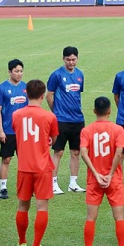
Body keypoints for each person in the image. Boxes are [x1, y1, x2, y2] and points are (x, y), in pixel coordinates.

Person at [80, 97, 124, 246]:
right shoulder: (117, 129)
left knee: (90, 217)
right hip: (113, 179)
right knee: (119, 217)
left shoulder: (87, 130)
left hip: (94, 180)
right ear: (109, 111)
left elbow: (83, 153)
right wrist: (110, 173)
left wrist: (95, 172)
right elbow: (119, 153)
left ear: (94, 111)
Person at [13, 80, 58, 246]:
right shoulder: (49, 117)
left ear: (26, 94)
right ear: (42, 95)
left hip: (24, 166)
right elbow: (53, 140)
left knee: (23, 206)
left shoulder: (16, 114)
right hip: (42, 167)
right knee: (42, 207)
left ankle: (22, 242)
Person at [47, 46, 86, 195]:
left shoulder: (80, 75)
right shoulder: (56, 75)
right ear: (63, 59)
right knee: (59, 151)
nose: (71, 62)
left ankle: (73, 183)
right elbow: (49, 96)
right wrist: (55, 112)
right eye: (68, 59)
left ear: (77, 59)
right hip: (61, 120)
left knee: (76, 152)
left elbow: (77, 95)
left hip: (77, 119)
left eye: (73, 59)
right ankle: (53, 183)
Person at [0, 59, 28, 199]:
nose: (19, 74)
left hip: (23, 131)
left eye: (21, 71)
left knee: (25, 159)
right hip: (8, 130)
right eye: (16, 71)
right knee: (6, 159)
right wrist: (0, 130)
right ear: (9, 72)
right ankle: (3, 188)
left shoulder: (26, 87)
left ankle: (25, 186)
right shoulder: (2, 88)